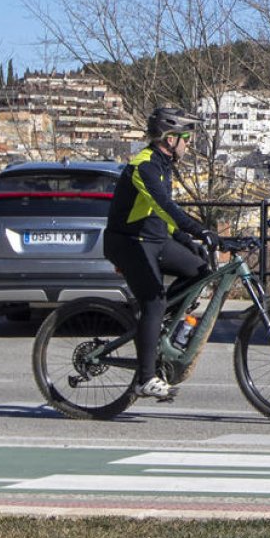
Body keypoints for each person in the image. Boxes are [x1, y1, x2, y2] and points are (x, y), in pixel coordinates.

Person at [104, 107, 219, 399]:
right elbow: (164, 207)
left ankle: (156, 324)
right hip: (128, 242)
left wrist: (186, 240)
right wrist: (199, 230)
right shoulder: (143, 165)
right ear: (170, 139)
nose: (188, 144)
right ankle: (145, 379)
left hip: (154, 239)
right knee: (154, 302)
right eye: (186, 139)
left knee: (200, 271)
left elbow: (159, 217)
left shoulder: (164, 165)